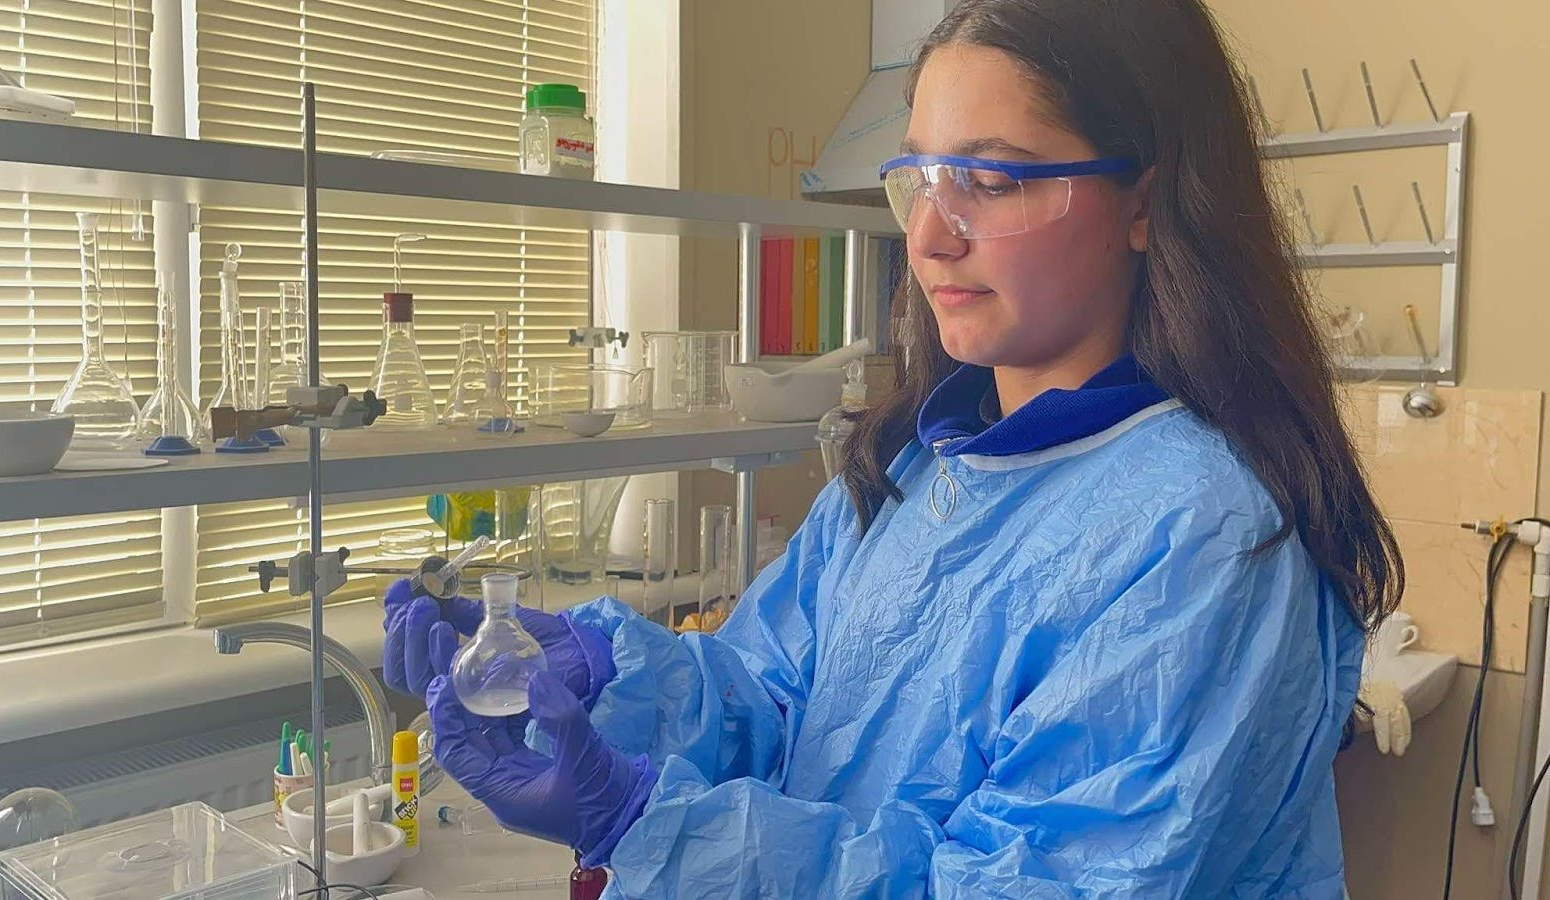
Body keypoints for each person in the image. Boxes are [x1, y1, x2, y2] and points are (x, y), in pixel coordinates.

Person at [383, 0, 1403, 894]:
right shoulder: (920, 468)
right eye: (918, 177)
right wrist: (602, 667)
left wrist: (642, 825)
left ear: (1142, 202)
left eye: (991, 181)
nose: (927, 236)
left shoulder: (1202, 535)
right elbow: (779, 701)